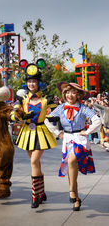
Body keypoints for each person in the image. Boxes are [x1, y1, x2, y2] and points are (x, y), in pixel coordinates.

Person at [45, 82, 101, 211]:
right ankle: (76, 198)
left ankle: (71, 190)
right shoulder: (60, 108)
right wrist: (57, 132)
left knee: (71, 161)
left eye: (73, 92)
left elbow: (97, 120)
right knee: (71, 167)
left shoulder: (82, 108)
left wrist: (87, 132)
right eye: (68, 92)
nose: (70, 95)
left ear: (78, 95)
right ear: (64, 94)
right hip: (67, 139)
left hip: (80, 139)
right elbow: (48, 120)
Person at [10, 63, 57, 208]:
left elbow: (57, 111)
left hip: (41, 133)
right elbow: (13, 115)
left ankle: (35, 196)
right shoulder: (22, 100)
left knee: (33, 162)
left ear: (38, 83)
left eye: (34, 81)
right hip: (27, 133)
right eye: (29, 81)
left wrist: (54, 113)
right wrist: (19, 116)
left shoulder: (46, 100)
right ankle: (42, 193)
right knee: (36, 163)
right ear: (27, 83)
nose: (31, 84)